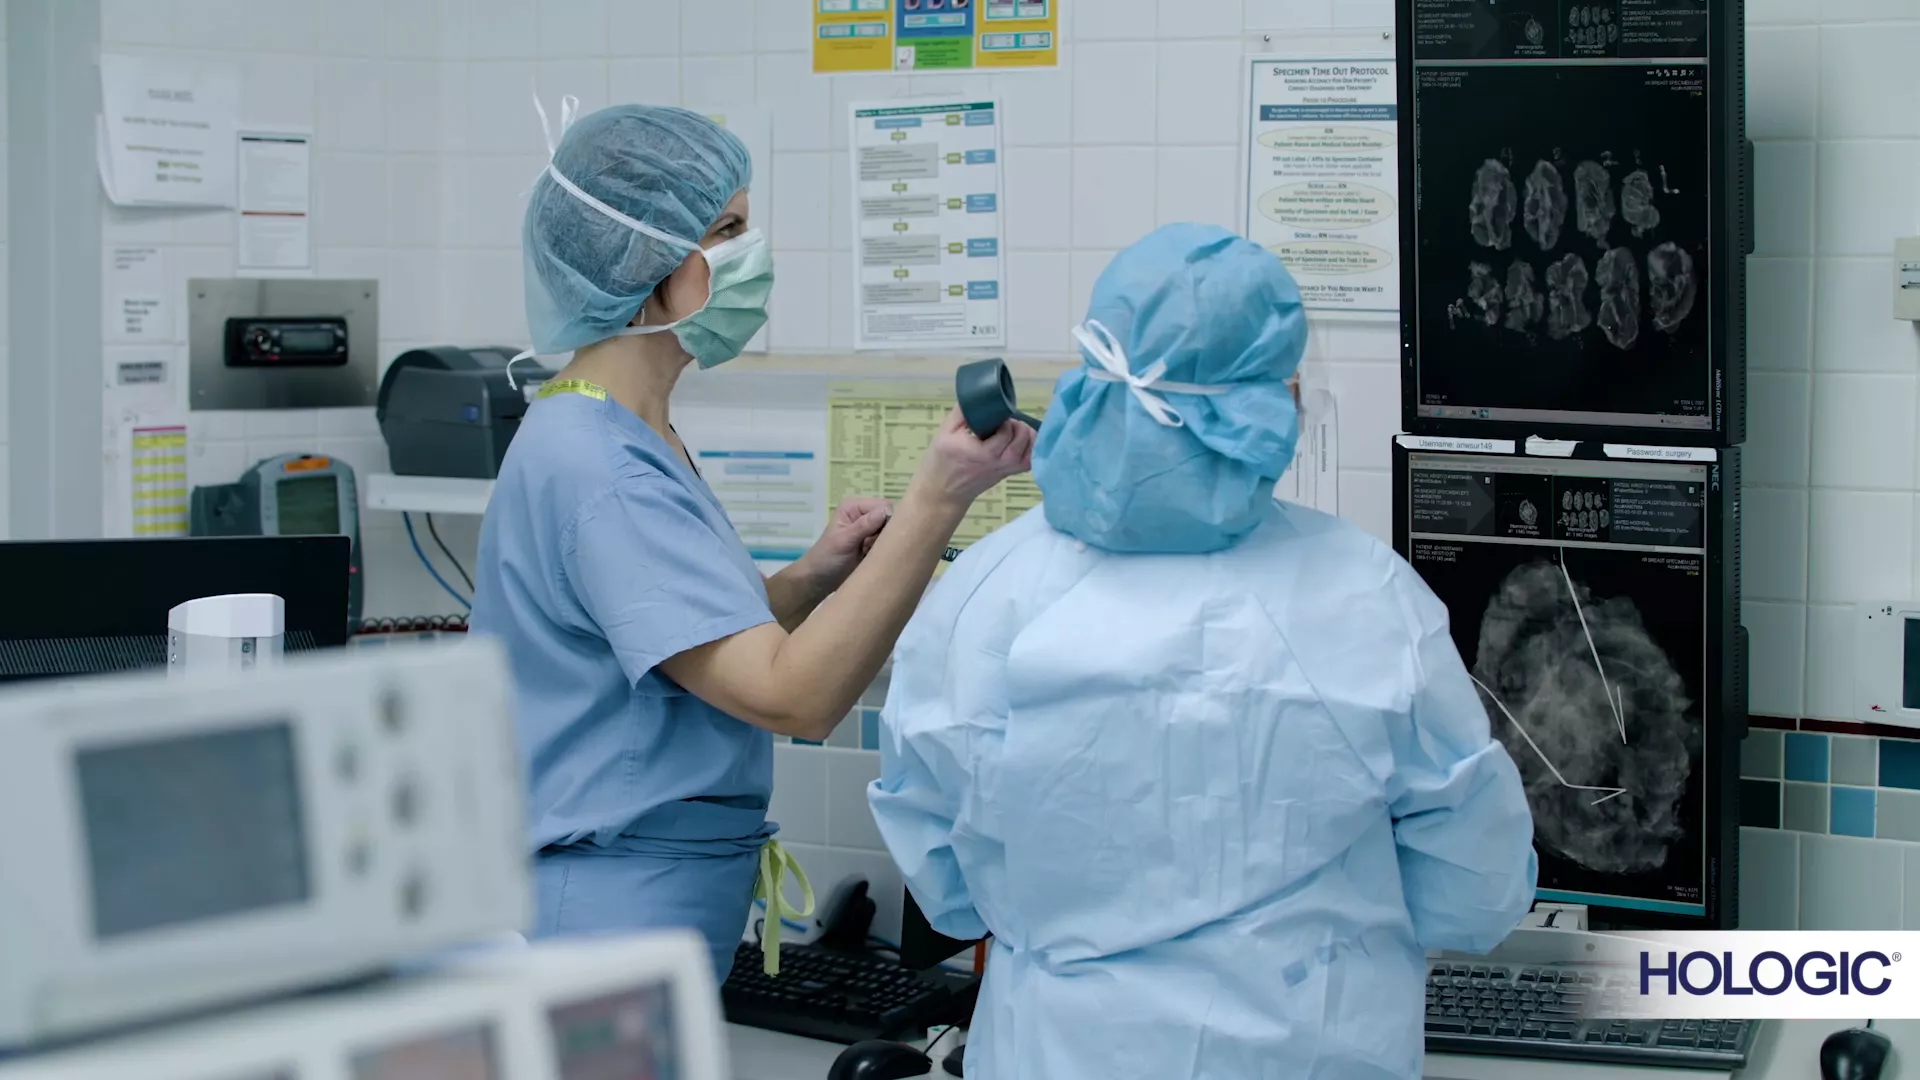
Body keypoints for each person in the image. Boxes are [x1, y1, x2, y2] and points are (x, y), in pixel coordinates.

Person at [867, 223, 1538, 1080]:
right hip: (1306, 1050)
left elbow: (946, 889)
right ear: (1255, 409)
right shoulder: (1363, 595)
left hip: (1055, 1051)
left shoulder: (981, 592)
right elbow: (1470, 890)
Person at [469, 102, 1034, 982]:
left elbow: (673, 647)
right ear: (648, 264)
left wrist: (813, 576)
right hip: (604, 917)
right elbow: (791, 699)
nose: (752, 252)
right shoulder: (601, 470)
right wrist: (939, 496)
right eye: (727, 230)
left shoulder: (624, 432)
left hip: (645, 898)